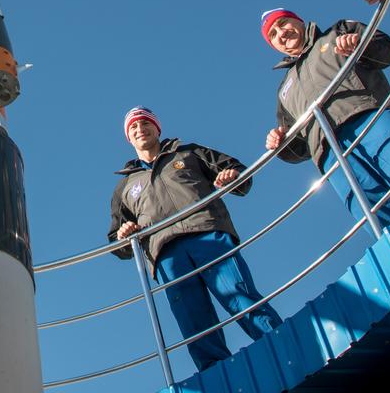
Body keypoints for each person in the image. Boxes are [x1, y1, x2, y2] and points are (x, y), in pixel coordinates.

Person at [108, 107, 282, 372]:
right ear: (128, 138)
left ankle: (278, 342)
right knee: (194, 320)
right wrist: (124, 234)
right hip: (166, 256)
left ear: (157, 128)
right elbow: (117, 240)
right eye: (133, 127)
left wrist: (230, 177)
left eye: (145, 123)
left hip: (207, 233)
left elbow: (237, 172)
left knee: (239, 295)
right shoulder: (125, 187)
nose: (140, 129)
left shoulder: (188, 153)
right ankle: (216, 374)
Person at [261, 8, 390, 230]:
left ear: (298, 21)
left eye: (283, 23)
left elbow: (386, 50)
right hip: (330, 156)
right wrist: (279, 144)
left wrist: (360, 45)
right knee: (376, 216)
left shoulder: (337, 32)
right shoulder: (284, 91)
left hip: (369, 120)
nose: (281, 33)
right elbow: (298, 147)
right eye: (273, 34)